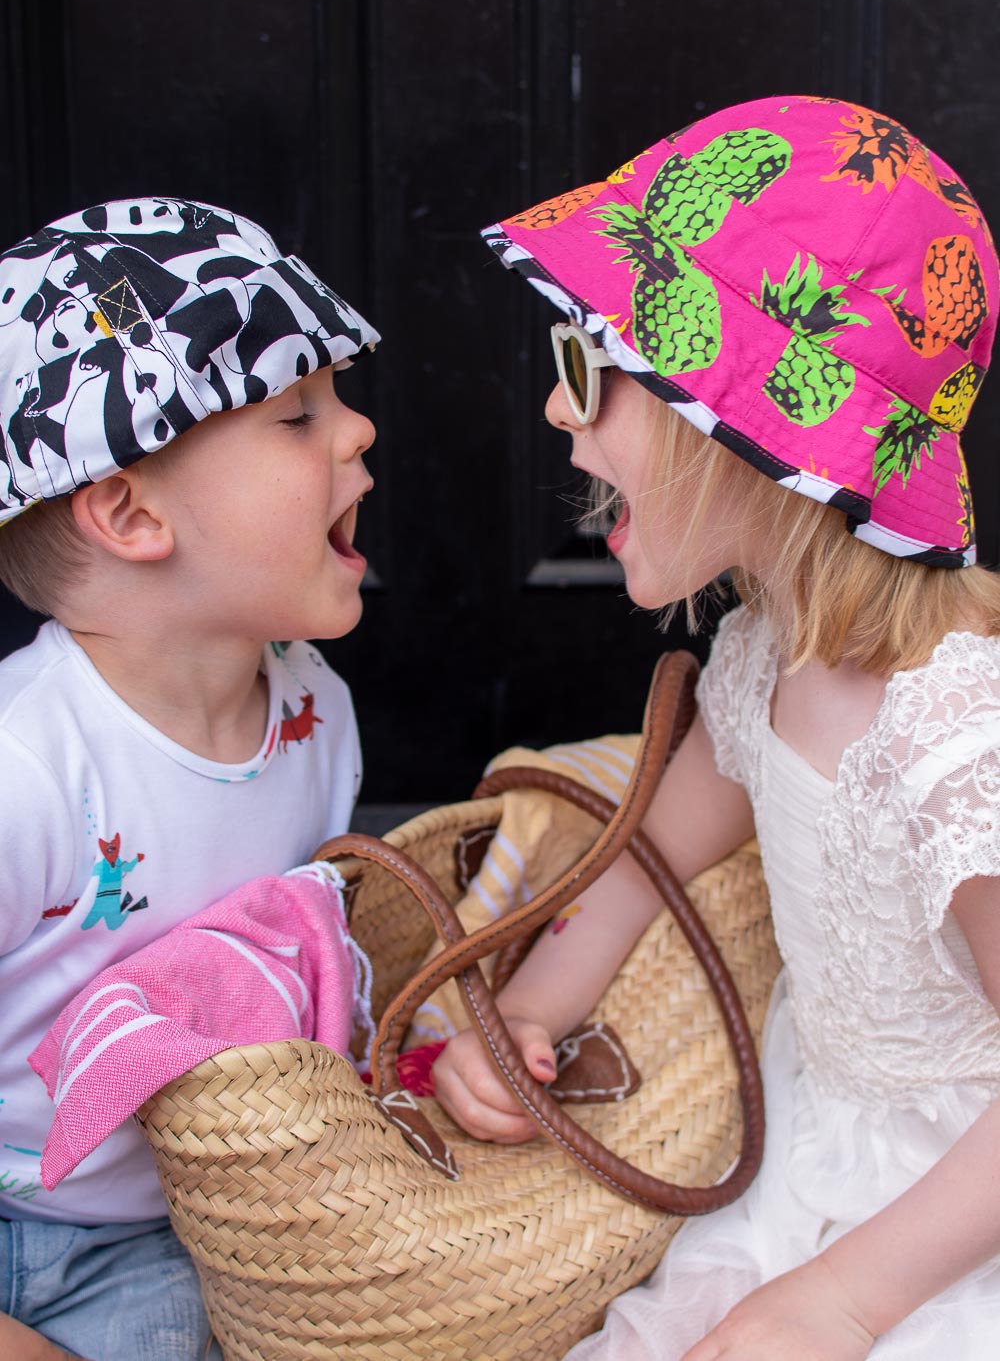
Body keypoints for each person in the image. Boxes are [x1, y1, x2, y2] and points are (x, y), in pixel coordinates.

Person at [434, 94, 1000, 1358]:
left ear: (745, 427)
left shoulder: (956, 731)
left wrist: (844, 1301)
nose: (555, 411)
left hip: (951, 1217)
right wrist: (530, 1010)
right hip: (809, 1143)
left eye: (591, 368)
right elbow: (648, 856)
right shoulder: (760, 654)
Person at [0, 199, 378, 1360]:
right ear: (129, 511)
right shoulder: (26, 771)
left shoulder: (315, 716)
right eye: (296, 415)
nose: (358, 431)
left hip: (170, 1225)